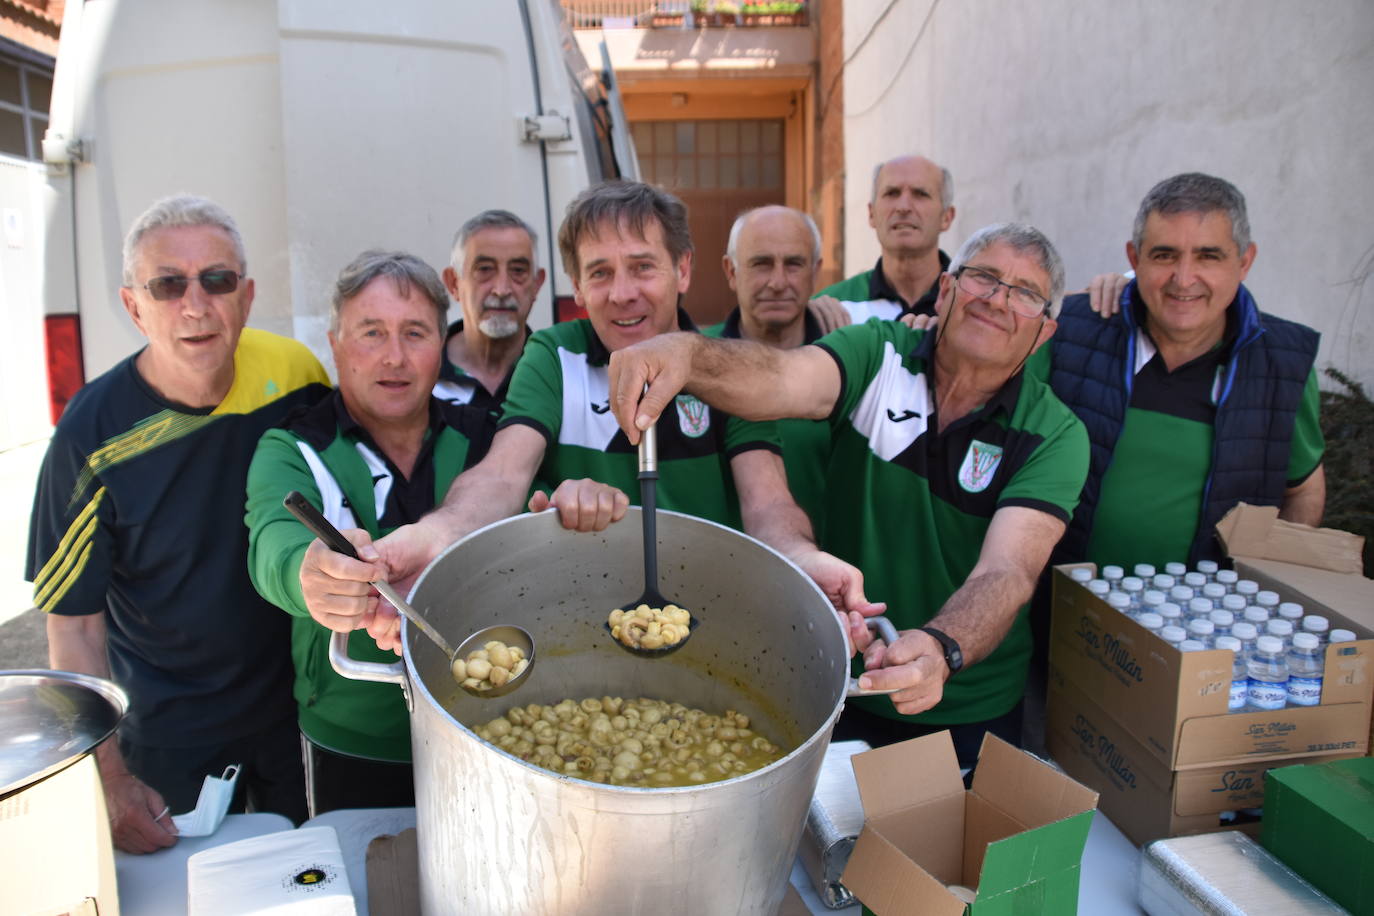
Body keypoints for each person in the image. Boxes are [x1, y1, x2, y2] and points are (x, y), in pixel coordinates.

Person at [299, 180, 880, 650]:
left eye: (642, 267)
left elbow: (769, 504)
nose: (622, 292)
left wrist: (804, 561)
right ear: (577, 285)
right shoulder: (555, 354)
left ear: (683, 269)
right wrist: (434, 536)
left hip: (715, 640)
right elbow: (501, 477)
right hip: (572, 643)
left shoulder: (723, 365)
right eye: (599, 272)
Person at [607, 223, 1089, 770]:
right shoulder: (880, 352)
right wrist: (689, 354)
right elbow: (783, 378)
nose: (998, 300)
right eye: (984, 278)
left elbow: (1007, 571)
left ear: (1044, 330)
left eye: (1025, 293)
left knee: (956, 855)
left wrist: (941, 647)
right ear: (949, 289)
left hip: (969, 704)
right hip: (842, 678)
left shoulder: (1055, 433)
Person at [27, 195, 330, 852]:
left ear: (246, 297)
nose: (196, 305)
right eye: (168, 285)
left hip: (288, 715)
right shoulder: (91, 438)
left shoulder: (296, 376)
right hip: (167, 733)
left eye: (216, 280)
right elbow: (73, 627)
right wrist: (109, 780)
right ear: (134, 306)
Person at [244, 251, 495, 816]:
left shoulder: (487, 439)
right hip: (350, 739)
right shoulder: (293, 448)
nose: (395, 356)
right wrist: (307, 576)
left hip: (486, 727)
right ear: (335, 343)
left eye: (415, 333)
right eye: (371, 332)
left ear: (442, 344)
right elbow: (271, 544)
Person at [1032, 172, 1325, 569]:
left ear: (1244, 262)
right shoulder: (1071, 335)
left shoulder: (1283, 363)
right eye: (1165, 255)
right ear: (1135, 259)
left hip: (1206, 623)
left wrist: (1275, 586)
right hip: (1058, 611)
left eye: (1208, 256)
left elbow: (1302, 491)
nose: (1184, 279)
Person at [704, 205, 832, 528]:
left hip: (834, 571)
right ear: (731, 271)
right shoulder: (696, 365)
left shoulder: (849, 366)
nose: (778, 282)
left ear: (815, 271)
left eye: (794, 264)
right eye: (761, 264)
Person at [813, 154, 955, 322]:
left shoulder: (971, 303)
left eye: (920, 194)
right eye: (892, 193)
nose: (903, 207)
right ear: (871, 214)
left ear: (946, 217)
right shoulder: (833, 307)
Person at [433, 209, 545, 420]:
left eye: (518, 271)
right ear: (454, 283)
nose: (501, 290)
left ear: (537, 285)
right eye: (484, 269)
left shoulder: (555, 374)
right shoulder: (421, 373)